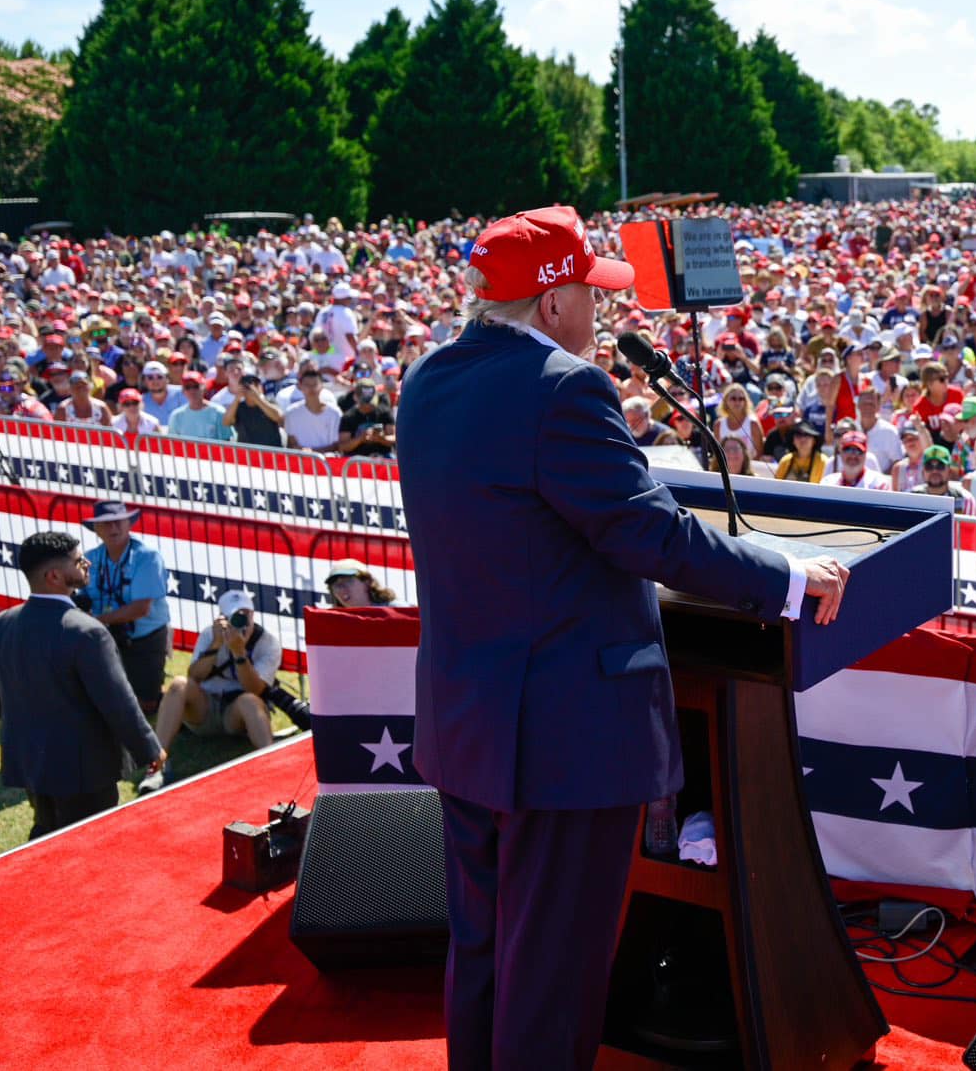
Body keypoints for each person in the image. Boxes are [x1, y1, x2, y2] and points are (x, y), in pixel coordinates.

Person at [394, 206, 850, 1070]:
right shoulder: (563, 389)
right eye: (590, 297)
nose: (599, 317)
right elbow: (651, 536)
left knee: (485, 954)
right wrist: (787, 576)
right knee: (553, 977)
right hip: (563, 736)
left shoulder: (427, 379)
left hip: (467, 722)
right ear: (555, 300)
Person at [0, 530, 166, 839]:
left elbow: (0, 698)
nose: (87, 565)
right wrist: (149, 749)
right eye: (79, 561)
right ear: (54, 575)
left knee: (45, 834)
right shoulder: (86, 632)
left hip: (32, 763)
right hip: (84, 771)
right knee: (89, 848)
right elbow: (117, 703)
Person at [142, 590, 281, 792]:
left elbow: (256, 689)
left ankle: (273, 765)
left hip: (238, 714)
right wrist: (216, 645)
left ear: (253, 614)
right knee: (179, 684)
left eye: (246, 615)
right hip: (205, 709)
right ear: (223, 619)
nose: (242, 622)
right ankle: (156, 765)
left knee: (250, 700)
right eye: (235, 616)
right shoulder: (210, 634)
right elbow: (194, 676)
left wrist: (239, 653)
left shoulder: (267, 642)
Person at [78, 499, 175, 713]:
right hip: (103, 634)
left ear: (129, 524)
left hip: (144, 635)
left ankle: (167, 696)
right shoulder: (90, 558)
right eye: (106, 524)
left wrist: (97, 622)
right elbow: (80, 596)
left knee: (145, 706)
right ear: (96, 529)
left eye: (118, 522)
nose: (113, 528)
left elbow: (141, 608)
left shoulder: (147, 557)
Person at [324, 557, 399, 607]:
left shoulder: (396, 611)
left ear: (367, 582)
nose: (342, 588)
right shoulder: (334, 623)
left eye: (348, 581)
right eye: (336, 585)